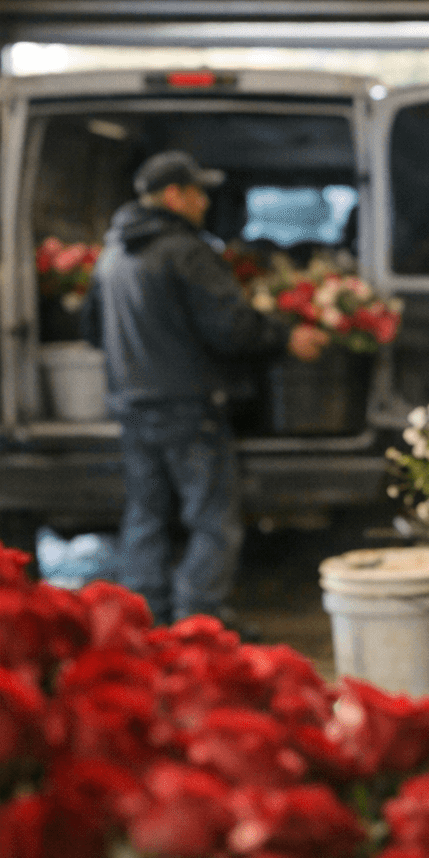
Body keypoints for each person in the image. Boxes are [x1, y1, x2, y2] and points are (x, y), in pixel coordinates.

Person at [82, 150, 328, 626]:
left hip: (131, 406)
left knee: (145, 515)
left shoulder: (112, 254)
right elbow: (230, 329)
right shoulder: (187, 251)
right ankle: (198, 620)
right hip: (188, 406)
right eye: (198, 193)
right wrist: (284, 336)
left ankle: (146, 618)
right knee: (211, 519)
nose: (204, 202)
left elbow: (92, 330)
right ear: (174, 195)